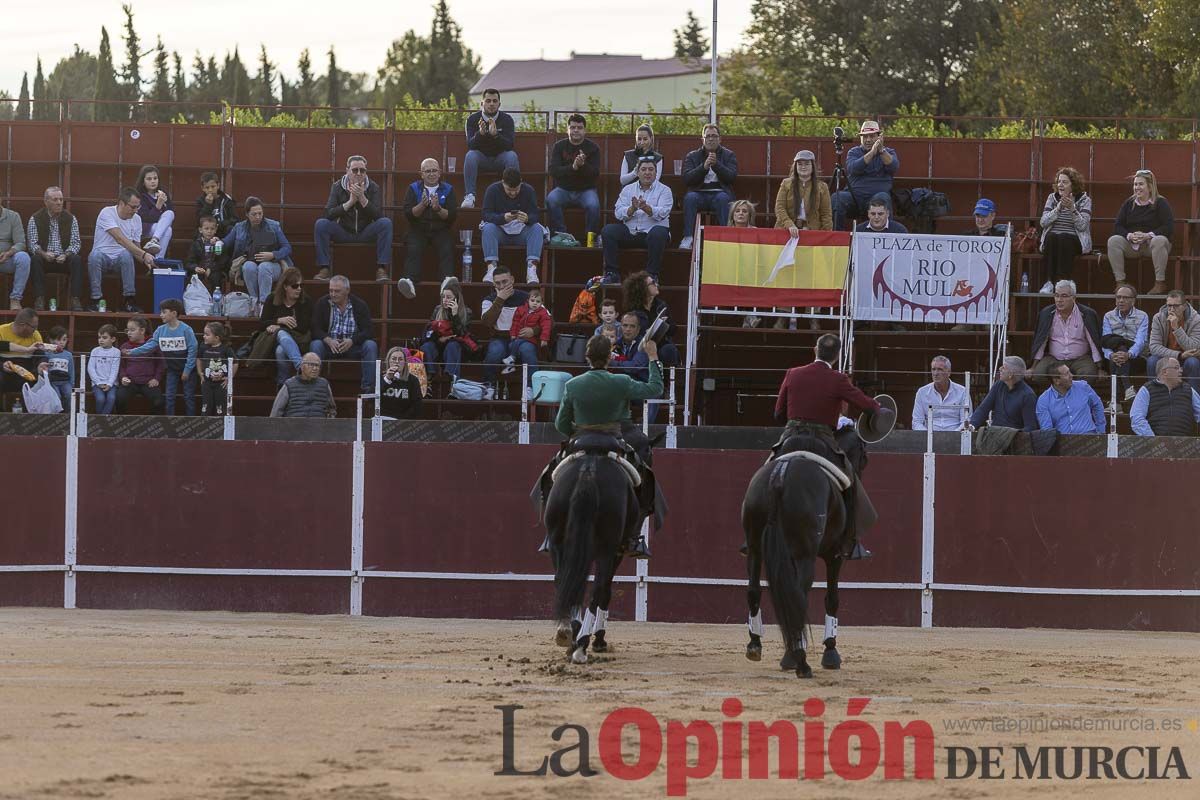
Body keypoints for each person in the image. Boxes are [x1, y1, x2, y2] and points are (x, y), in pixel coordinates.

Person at [772, 334, 889, 560]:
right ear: (836, 356)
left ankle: (753, 536)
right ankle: (851, 540)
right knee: (850, 481)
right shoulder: (838, 379)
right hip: (822, 440)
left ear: (814, 350)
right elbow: (865, 404)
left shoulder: (793, 373)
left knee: (766, 472)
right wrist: (879, 409)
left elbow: (778, 413)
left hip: (790, 436)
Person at [550, 333, 665, 558]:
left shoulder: (573, 385)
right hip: (615, 441)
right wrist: (653, 357)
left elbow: (560, 423)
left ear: (587, 357)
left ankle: (550, 534)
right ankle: (633, 538)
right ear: (610, 359)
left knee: (548, 477)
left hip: (581, 440)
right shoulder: (620, 381)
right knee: (645, 482)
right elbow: (655, 388)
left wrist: (578, 432)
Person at [314, 155, 393, 283]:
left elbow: (378, 215)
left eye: (362, 170)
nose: (359, 173)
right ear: (347, 170)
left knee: (386, 223)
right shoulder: (337, 186)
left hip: (365, 232)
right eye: (355, 170)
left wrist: (362, 199)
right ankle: (324, 269)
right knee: (321, 224)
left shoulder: (373, 187)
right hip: (343, 231)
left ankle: (381, 269)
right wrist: (350, 202)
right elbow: (328, 214)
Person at [600, 159, 673, 285]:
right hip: (631, 232)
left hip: (652, 234)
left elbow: (663, 212)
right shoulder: (628, 189)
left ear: (656, 173)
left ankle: (652, 276)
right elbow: (618, 212)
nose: (647, 172)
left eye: (651, 169)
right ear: (638, 173)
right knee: (608, 231)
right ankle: (612, 274)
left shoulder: (665, 190)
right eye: (643, 169)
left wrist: (647, 208)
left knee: (659, 233)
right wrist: (632, 209)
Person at [125, 298, 198, 416]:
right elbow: (150, 345)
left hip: (187, 370)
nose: (161, 315)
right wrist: (133, 352)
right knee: (169, 397)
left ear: (174, 313)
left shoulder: (186, 330)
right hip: (171, 370)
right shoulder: (160, 330)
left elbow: (193, 349)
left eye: (164, 312)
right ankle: (169, 420)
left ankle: (191, 420)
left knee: (188, 396)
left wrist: (187, 370)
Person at [1107, 169, 1174, 296]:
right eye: (1135, 184)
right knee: (1113, 240)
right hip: (1133, 246)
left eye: (1140, 184)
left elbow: (1168, 226)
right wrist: (1129, 235)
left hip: (1152, 246)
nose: (1137, 187)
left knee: (1159, 240)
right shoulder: (1129, 203)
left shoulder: (1161, 202)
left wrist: (1148, 235)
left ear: (1150, 186)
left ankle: (1160, 283)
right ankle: (1120, 282)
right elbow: (1118, 225)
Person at [88, 187, 155, 313]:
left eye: (138, 207)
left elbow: (136, 247)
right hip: (102, 257)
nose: (135, 211)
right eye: (132, 207)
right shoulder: (107, 213)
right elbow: (120, 238)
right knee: (95, 256)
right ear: (121, 203)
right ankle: (96, 300)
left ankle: (129, 300)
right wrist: (144, 254)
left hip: (122, 259)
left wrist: (145, 260)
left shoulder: (137, 219)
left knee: (126, 255)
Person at [309, 275, 380, 394]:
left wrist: (352, 340)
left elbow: (369, 331)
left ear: (347, 290)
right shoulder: (322, 303)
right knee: (316, 345)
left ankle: (368, 388)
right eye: (331, 290)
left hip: (353, 346)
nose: (333, 294)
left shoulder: (359, 305)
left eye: (337, 291)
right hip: (330, 346)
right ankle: (312, 384)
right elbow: (314, 328)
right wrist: (327, 339)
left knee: (370, 345)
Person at [222, 197, 292, 314]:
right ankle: (254, 302)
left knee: (264, 267)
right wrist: (216, 241)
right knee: (248, 266)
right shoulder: (239, 227)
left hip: (273, 265)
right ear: (247, 214)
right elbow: (226, 242)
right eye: (254, 214)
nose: (258, 217)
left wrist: (273, 255)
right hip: (251, 263)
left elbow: (287, 247)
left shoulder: (274, 226)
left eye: (260, 213)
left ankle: (265, 305)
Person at [399, 158, 457, 300]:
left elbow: (451, 216)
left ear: (440, 173)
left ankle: (446, 282)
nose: (431, 174)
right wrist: (422, 205)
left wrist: (438, 209)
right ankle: (410, 282)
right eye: (428, 171)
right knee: (414, 248)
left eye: (434, 170)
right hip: (418, 228)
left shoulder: (448, 189)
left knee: (447, 247)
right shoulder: (413, 188)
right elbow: (408, 214)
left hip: (440, 228)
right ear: (421, 174)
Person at [1030, 280, 1102, 384]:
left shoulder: (1086, 314)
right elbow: (1041, 341)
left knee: (1089, 375)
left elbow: (1093, 342)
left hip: (1080, 358)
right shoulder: (1046, 314)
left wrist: (1100, 368)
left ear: (1073, 298)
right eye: (1057, 295)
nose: (1059, 300)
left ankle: (1075, 399)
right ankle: (1055, 398)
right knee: (1038, 375)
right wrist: (1033, 366)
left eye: (1064, 296)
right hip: (1054, 358)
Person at [480, 168, 544, 285]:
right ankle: (491, 268)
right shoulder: (493, 190)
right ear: (503, 182)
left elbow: (536, 215)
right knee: (488, 228)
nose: (513, 193)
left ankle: (531, 269)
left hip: (522, 232)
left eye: (516, 189)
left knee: (537, 229)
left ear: (521, 182)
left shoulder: (529, 190)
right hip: (500, 232)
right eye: (509, 190)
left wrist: (527, 218)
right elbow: (486, 214)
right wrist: (502, 218)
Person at [831, 120, 899, 230]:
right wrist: (872, 152)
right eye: (864, 137)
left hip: (877, 197)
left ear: (879, 137)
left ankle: (886, 239)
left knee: (883, 198)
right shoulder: (854, 152)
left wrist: (881, 151)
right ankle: (838, 239)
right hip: (854, 197)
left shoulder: (889, 152)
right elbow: (853, 168)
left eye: (872, 136)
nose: (868, 140)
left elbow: (893, 166)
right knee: (837, 198)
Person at [679, 123, 737, 249]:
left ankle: (726, 237)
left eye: (714, 136)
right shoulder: (692, 156)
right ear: (702, 139)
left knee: (723, 199)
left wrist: (716, 165)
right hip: (698, 192)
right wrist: (704, 167)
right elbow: (687, 179)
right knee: (690, 198)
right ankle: (688, 237)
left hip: (719, 192)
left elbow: (731, 177)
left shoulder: (729, 155)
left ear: (720, 139)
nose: (711, 139)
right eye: (708, 136)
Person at [27, 186, 84, 311]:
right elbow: (32, 244)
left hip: (64, 259)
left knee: (77, 260)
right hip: (45, 259)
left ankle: (75, 299)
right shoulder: (35, 218)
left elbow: (76, 243)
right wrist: (44, 254)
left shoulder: (71, 218)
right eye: (55, 199)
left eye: (61, 199)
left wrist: (66, 254)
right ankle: (39, 299)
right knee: (35, 259)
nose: (59, 202)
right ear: (46, 201)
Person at [1037, 166, 1092, 294]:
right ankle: (1049, 282)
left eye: (1065, 182)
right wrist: (1058, 208)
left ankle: (1062, 283)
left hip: (1075, 240)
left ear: (1073, 185)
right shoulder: (1052, 198)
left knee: (1064, 238)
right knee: (1052, 237)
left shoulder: (1085, 200)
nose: (1060, 185)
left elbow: (1083, 225)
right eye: (1059, 182)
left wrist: (1073, 209)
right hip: (1053, 239)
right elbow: (1043, 222)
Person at [461, 88, 518, 209]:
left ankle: (513, 195)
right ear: (482, 103)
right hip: (481, 159)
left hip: (500, 159)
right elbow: (470, 145)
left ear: (499, 104)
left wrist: (496, 135)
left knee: (512, 156)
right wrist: (480, 134)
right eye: (488, 101)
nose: (491, 104)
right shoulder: (472, 119)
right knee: (470, 155)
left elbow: (510, 145)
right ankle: (470, 196)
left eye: (494, 101)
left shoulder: (507, 119)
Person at [546, 113, 601, 240]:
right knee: (551, 199)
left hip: (586, 190)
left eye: (579, 127)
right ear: (568, 129)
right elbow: (553, 170)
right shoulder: (559, 146)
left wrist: (583, 165)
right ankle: (562, 237)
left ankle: (590, 239)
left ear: (584, 130)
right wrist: (573, 167)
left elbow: (595, 173)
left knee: (594, 205)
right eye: (573, 127)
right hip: (563, 189)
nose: (576, 130)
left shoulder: (593, 148)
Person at [258, 267, 313, 385]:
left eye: (300, 285)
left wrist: (279, 327)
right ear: (285, 287)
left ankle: (283, 383)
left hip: (299, 340)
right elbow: (262, 324)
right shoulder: (272, 299)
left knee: (280, 350)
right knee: (279, 347)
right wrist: (279, 320)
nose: (299, 289)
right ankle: (300, 368)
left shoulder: (306, 301)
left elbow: (304, 327)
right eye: (294, 286)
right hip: (275, 342)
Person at [479, 266, 529, 386]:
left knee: (528, 350)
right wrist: (500, 299)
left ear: (512, 279)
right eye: (498, 283)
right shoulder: (489, 300)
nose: (501, 286)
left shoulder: (526, 297)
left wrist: (533, 330)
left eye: (505, 281)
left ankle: (530, 387)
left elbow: (549, 319)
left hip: (521, 338)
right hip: (499, 338)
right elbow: (486, 322)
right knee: (494, 352)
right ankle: (488, 386)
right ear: (493, 284)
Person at [1129, 357, 1200, 437]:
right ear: (1164, 372)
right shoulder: (1146, 389)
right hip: (1155, 444)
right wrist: (1153, 440)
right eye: (1176, 368)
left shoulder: (1188, 389)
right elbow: (1137, 419)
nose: (1181, 371)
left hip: (1186, 443)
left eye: (1180, 368)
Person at [1146, 289, 1200, 393]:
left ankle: (1194, 400)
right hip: (1167, 357)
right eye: (1169, 305)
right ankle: (1154, 395)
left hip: (1187, 358)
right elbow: (1154, 347)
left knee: (1193, 362)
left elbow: (1193, 347)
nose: (1171, 309)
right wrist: (1179, 355)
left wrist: (1177, 329)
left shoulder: (1196, 319)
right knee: (1152, 361)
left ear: (1184, 306)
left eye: (1176, 306)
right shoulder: (1158, 318)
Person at [1102, 284, 1149, 402]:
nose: (1121, 301)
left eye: (1125, 298)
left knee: (1120, 347)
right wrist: (1111, 355)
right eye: (1118, 297)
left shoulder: (1142, 316)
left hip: (1136, 357)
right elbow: (1105, 342)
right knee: (1117, 349)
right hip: (1115, 357)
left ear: (1133, 301)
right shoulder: (1108, 316)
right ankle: (1128, 389)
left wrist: (1128, 354)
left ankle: (1115, 403)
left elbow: (1140, 341)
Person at [420, 277, 473, 383]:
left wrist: (455, 315)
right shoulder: (437, 310)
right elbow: (427, 333)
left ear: (456, 299)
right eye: (443, 297)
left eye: (448, 297)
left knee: (452, 345)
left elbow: (462, 334)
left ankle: (452, 380)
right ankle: (430, 377)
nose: (445, 300)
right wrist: (439, 339)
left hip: (456, 348)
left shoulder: (466, 312)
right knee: (427, 346)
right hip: (438, 345)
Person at [623, 271, 679, 367]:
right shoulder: (634, 310)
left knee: (669, 350)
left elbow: (673, 330)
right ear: (643, 289)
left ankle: (668, 381)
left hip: (660, 345)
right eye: (652, 283)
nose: (656, 284)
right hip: (641, 347)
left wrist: (664, 325)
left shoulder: (661, 305)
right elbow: (630, 334)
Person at [968, 355, 1038, 431]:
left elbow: (1031, 427)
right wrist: (972, 425)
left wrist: (1012, 435)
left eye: (1003, 367)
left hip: (1014, 438)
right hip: (994, 435)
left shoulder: (1028, 395)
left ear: (1010, 375)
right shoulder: (998, 385)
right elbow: (983, 409)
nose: (999, 369)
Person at [1035, 363, 1106, 434]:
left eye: (1070, 372)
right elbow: (1047, 430)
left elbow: (1097, 405)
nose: (1071, 375)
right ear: (1056, 381)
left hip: (1089, 438)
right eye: (1066, 374)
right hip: (1063, 441)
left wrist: (1100, 430)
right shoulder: (1043, 400)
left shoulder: (1083, 387)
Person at [774, 150, 833, 235]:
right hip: (786, 231)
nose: (803, 167)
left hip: (812, 233)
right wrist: (790, 225)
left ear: (812, 166)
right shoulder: (786, 184)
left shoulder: (822, 187)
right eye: (800, 164)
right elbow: (779, 208)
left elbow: (826, 214)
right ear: (795, 166)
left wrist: (826, 235)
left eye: (807, 164)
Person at [117, 315, 164, 414]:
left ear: (142, 331)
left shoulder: (152, 345)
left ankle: (155, 425)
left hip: (148, 382)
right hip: (130, 382)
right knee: (119, 399)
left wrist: (156, 378)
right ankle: (122, 424)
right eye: (127, 330)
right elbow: (122, 366)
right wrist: (123, 377)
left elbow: (160, 364)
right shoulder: (124, 346)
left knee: (159, 402)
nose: (129, 333)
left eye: (132, 330)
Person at [912, 355, 972, 431]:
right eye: (933, 369)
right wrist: (928, 437)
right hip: (929, 438)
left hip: (957, 437)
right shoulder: (922, 392)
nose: (936, 373)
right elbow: (917, 422)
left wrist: (952, 436)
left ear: (949, 372)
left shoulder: (962, 392)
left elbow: (966, 421)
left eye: (940, 369)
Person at [502, 287, 551, 377]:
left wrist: (544, 339)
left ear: (542, 303)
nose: (535, 303)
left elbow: (546, 325)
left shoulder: (543, 313)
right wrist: (513, 334)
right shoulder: (521, 309)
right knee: (512, 344)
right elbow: (515, 322)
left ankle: (512, 358)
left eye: (538, 301)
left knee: (522, 346)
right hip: (519, 337)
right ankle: (511, 364)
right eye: (532, 300)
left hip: (532, 339)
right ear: (528, 300)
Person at [270, 352, 336, 418]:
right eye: (311, 365)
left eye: (317, 365)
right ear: (302, 366)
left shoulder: (324, 384)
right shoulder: (289, 384)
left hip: (318, 426)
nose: (315, 368)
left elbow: (332, 409)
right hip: (293, 426)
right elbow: (276, 411)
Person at [135, 165, 175, 256]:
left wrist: (163, 204)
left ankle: (154, 241)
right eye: (149, 179)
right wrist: (158, 206)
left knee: (169, 214)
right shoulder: (139, 196)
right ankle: (159, 261)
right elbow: (147, 218)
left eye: (155, 178)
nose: (153, 181)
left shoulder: (163, 193)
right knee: (167, 230)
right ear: (143, 181)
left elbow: (169, 216)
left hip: (159, 228)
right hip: (145, 228)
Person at [198, 321, 236, 417]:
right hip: (207, 382)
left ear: (216, 337)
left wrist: (229, 377)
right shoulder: (203, 346)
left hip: (221, 383)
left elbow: (235, 363)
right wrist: (200, 373)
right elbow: (198, 359)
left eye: (207, 334)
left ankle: (221, 427)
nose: (204, 336)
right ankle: (205, 425)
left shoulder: (226, 349)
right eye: (204, 334)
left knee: (220, 406)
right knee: (206, 405)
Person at [0, 196, 31, 311]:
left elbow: (21, 243)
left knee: (24, 257)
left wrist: (8, 253)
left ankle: (15, 299)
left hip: (7, 260)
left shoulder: (13, 216)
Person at [185, 216, 231, 291]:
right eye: (206, 229)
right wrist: (195, 268)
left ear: (216, 230)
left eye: (212, 229)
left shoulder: (219, 243)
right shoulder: (196, 244)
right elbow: (189, 262)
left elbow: (223, 261)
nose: (209, 231)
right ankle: (195, 298)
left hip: (214, 270)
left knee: (216, 278)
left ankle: (215, 299)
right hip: (200, 269)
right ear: (200, 230)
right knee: (193, 277)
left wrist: (211, 269)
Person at [380, 346, 424, 420]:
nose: (397, 362)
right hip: (383, 419)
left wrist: (401, 420)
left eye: (400, 359)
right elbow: (371, 400)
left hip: (403, 422)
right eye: (394, 359)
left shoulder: (413, 380)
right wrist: (387, 379)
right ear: (388, 361)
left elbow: (417, 405)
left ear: (405, 362)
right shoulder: (380, 378)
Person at [88, 324, 122, 415]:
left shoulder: (116, 352)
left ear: (113, 339)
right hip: (97, 383)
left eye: (104, 337)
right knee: (100, 399)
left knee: (111, 398)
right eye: (99, 337)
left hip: (112, 384)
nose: (101, 340)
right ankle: (100, 418)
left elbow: (115, 369)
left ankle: (103, 419)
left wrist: (110, 384)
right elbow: (90, 368)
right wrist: (98, 383)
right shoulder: (95, 351)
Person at [195, 171, 238, 237]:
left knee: (231, 229)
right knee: (199, 233)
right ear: (203, 188)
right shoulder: (200, 201)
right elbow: (199, 220)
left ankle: (222, 246)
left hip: (223, 231)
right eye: (207, 187)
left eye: (213, 186)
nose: (210, 190)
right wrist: (208, 205)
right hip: (208, 232)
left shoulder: (226, 199)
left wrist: (219, 224)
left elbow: (235, 219)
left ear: (218, 185)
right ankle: (205, 247)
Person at [42, 325, 74, 411]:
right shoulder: (47, 354)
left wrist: (72, 383)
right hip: (52, 381)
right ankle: (57, 414)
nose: (62, 342)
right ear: (51, 340)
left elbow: (71, 370)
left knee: (69, 394)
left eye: (64, 340)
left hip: (65, 381)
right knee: (57, 396)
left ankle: (68, 413)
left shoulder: (68, 355)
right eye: (59, 340)